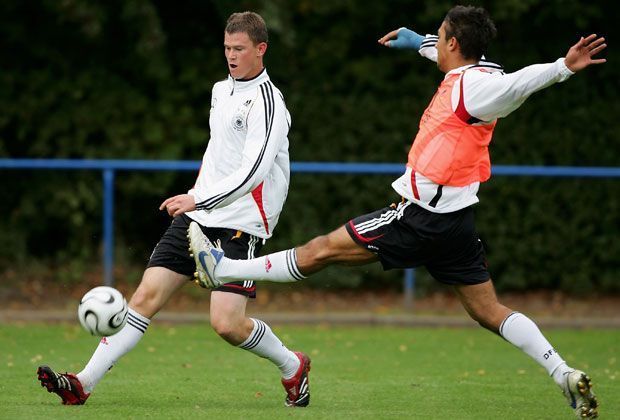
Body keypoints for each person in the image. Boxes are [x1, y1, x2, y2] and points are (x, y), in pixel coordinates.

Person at [187, 5, 606, 419]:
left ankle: (223, 270)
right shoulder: (475, 72)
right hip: (457, 222)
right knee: (489, 311)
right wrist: (418, 43)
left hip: (417, 217)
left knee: (320, 251)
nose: (436, 42)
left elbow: (519, 84)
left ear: (455, 43)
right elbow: (471, 65)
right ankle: (562, 371)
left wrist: (561, 67)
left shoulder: (478, 89)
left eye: (439, 37)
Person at [37, 11, 311, 408]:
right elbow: (219, 154)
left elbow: (253, 172)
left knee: (227, 324)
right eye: (226, 48)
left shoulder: (269, 105)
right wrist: (196, 199)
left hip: (240, 223)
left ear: (261, 49)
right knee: (145, 296)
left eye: (239, 49)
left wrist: (199, 198)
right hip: (197, 217)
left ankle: (293, 365)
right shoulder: (221, 90)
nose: (231, 56)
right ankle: (82, 383)